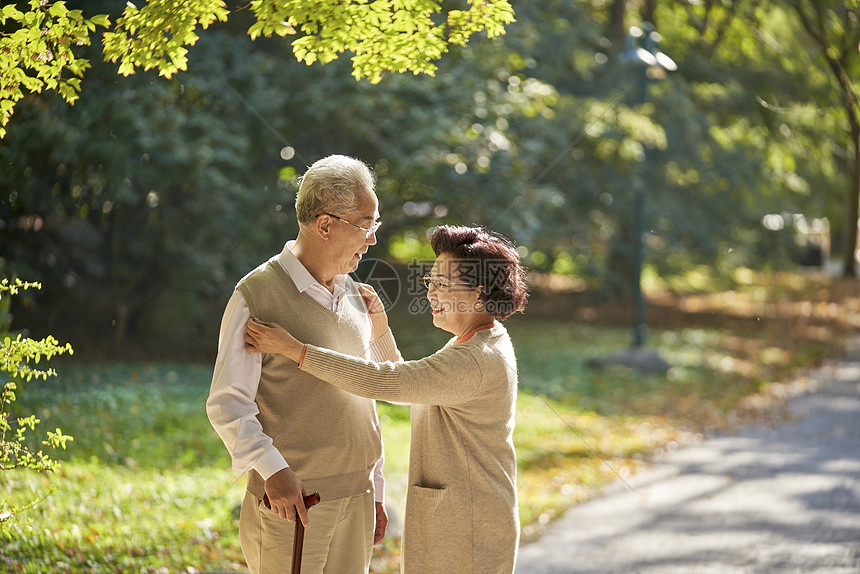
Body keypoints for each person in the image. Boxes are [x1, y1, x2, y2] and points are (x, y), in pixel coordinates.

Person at [244, 225, 529, 573]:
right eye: (430, 283)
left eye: (442, 284)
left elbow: (387, 382)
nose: (431, 294)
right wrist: (379, 327)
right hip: (462, 515)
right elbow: (413, 384)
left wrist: (294, 349)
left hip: (468, 525)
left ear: (479, 292)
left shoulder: (474, 359)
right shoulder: (477, 340)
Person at [206, 155, 398, 574]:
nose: (371, 241)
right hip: (297, 503)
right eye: (366, 226)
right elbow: (228, 403)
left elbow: (365, 398)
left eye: (374, 226)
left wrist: (375, 487)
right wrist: (273, 473)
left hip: (358, 498)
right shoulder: (255, 295)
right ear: (325, 225)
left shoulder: (356, 295)